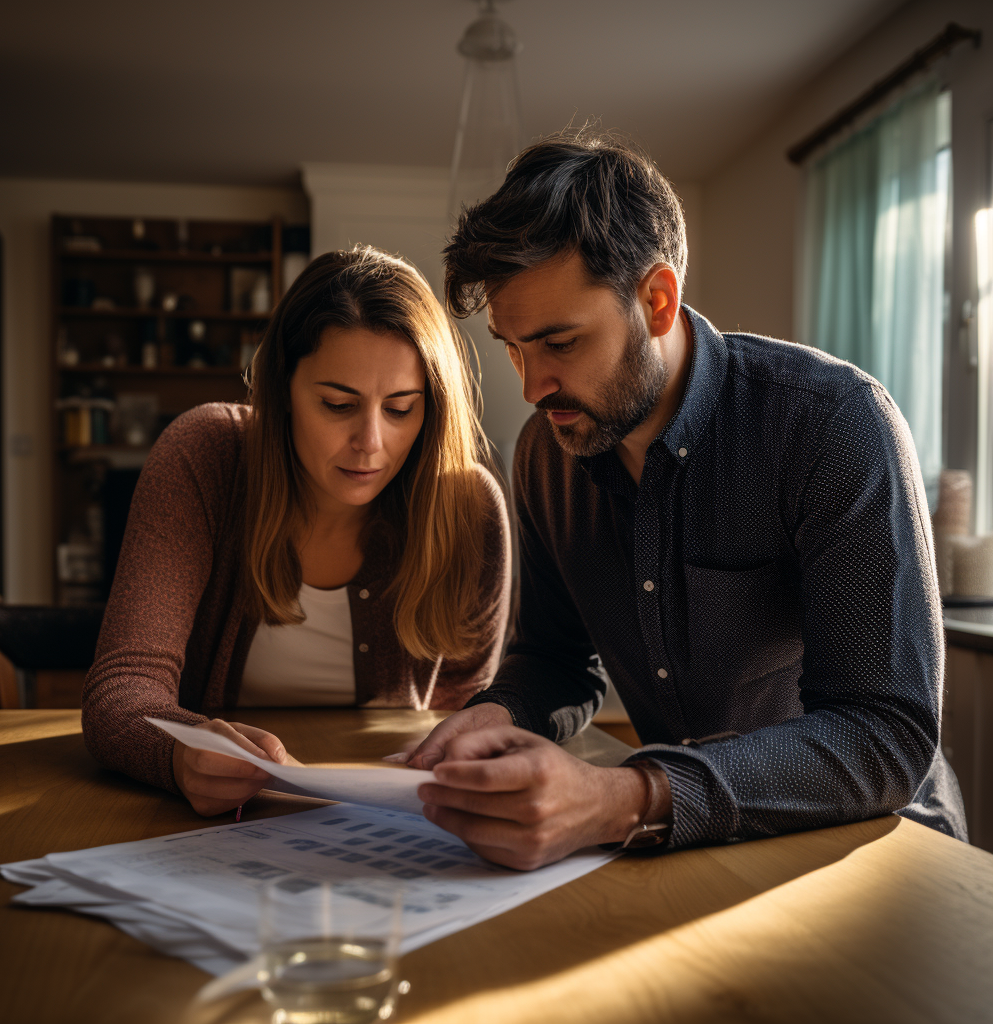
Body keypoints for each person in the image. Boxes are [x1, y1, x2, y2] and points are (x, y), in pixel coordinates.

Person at [402, 131, 966, 870]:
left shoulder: (831, 424)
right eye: (513, 348)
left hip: (881, 852)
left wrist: (624, 798)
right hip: (689, 843)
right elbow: (555, 658)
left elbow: (883, 733)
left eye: (560, 343)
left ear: (658, 300)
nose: (531, 387)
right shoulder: (548, 455)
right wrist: (493, 715)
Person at [83, 246, 511, 816]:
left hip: (375, 827)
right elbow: (122, 688)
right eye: (338, 404)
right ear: (282, 390)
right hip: (207, 819)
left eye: (401, 409)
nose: (371, 443)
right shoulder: (206, 456)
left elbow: (460, 714)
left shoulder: (469, 509)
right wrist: (181, 754)